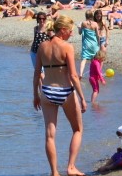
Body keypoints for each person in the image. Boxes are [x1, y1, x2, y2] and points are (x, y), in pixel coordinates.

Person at [33, 14, 87, 176]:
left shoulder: (42, 46)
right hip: (64, 91)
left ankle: (54, 172)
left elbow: (36, 75)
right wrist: (83, 98)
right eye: (70, 31)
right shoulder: (67, 47)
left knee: (50, 135)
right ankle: (71, 167)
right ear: (63, 30)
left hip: (47, 91)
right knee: (77, 129)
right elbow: (73, 76)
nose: (71, 34)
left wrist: (35, 95)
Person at [78, 10, 101, 77]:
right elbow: (97, 35)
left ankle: (81, 73)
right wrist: (98, 44)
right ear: (92, 15)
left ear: (86, 16)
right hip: (94, 44)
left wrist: (79, 28)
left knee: (84, 59)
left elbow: (80, 33)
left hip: (86, 44)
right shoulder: (95, 24)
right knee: (94, 59)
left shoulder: (83, 23)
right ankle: (96, 73)